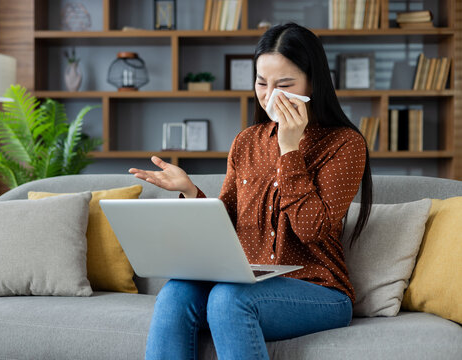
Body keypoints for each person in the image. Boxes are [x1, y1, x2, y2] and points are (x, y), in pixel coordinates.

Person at [129, 22, 373, 360]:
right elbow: (226, 227)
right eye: (262, 83)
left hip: (320, 291)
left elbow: (312, 230)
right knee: (175, 294)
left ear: (312, 83)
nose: (270, 95)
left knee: (230, 298)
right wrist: (189, 191)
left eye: (284, 84)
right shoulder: (247, 141)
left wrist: (290, 152)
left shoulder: (344, 144)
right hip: (248, 282)